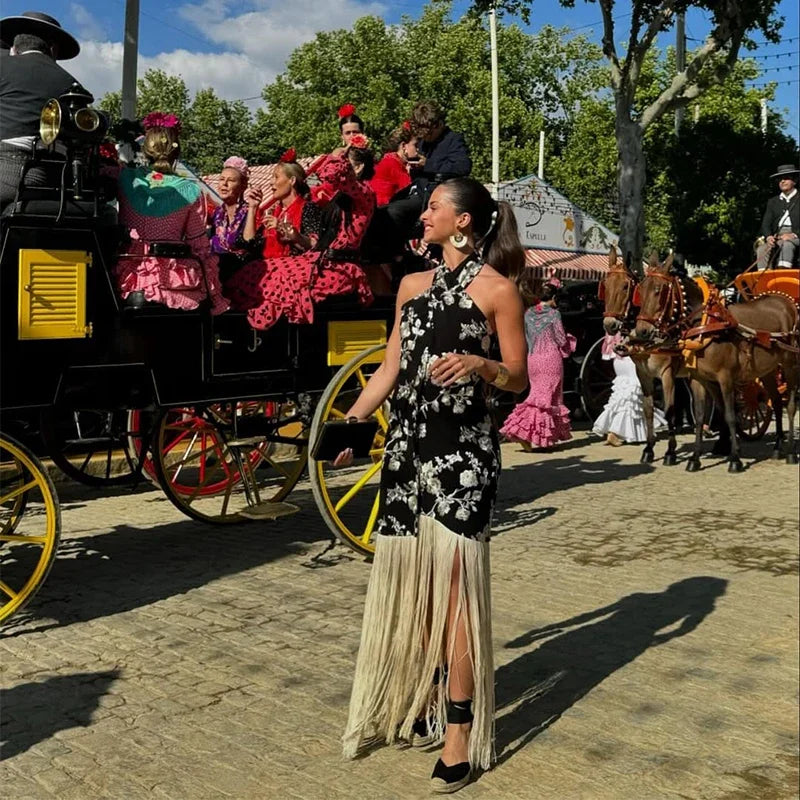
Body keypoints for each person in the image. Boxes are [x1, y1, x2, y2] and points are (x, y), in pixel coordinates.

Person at [339, 178, 527, 793]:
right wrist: (350, 421)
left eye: (436, 207)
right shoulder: (411, 286)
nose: (424, 216)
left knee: (453, 598)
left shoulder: (499, 291)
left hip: (462, 458)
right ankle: (421, 692)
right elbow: (391, 365)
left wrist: (481, 365)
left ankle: (460, 734)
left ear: (465, 221)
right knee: (413, 588)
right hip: (407, 452)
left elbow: (519, 380)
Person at [225, 139, 375, 330]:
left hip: (340, 267)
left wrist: (337, 155)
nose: (341, 164)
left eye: (346, 161)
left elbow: (331, 173)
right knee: (258, 269)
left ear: (359, 167)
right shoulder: (342, 195)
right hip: (322, 260)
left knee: (279, 278)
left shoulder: (365, 194)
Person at [114, 112, 229, 314]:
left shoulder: (125, 179)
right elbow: (199, 245)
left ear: (146, 149)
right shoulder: (190, 190)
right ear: (176, 152)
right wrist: (214, 292)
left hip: (131, 279)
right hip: (177, 282)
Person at [0, 11, 85, 207]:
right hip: (53, 183)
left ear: (13, 49)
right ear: (53, 49)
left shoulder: (3, 66)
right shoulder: (72, 83)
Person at [375, 100, 472, 260]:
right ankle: (393, 257)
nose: (425, 138)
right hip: (417, 191)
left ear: (438, 125)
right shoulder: (424, 142)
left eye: (427, 133)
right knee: (383, 212)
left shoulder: (453, 140)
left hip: (435, 196)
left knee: (394, 212)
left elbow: (463, 167)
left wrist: (428, 164)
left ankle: (394, 257)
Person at [500, 275, 575, 451]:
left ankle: (533, 435)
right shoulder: (554, 314)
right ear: (554, 298)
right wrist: (570, 341)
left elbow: (526, 337)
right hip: (550, 359)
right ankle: (527, 434)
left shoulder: (528, 313)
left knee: (537, 396)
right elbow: (560, 338)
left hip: (533, 359)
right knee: (548, 399)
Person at [592, 333, 666, 445]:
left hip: (619, 360)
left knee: (622, 394)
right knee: (632, 394)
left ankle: (618, 429)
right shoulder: (632, 323)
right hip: (631, 357)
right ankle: (615, 432)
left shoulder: (615, 324)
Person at [256, 150, 321, 260]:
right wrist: (253, 207)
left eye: (276, 177)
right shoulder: (274, 211)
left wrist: (286, 231)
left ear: (292, 180)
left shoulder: (308, 208)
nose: (271, 182)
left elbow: (315, 244)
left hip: (296, 266)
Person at [210, 156, 263, 281]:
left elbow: (249, 242)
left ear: (243, 185)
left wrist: (252, 208)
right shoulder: (217, 213)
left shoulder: (250, 210)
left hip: (240, 271)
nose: (224, 184)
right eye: (222, 179)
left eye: (231, 180)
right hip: (215, 270)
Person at [756, 163, 799, 269]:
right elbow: (766, 223)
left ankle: (783, 274)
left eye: (786, 178)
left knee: (787, 244)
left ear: (795, 180)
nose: (782, 181)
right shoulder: (772, 202)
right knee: (762, 249)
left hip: (796, 235)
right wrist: (768, 236)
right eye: (780, 179)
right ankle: (764, 280)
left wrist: (793, 235)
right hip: (778, 235)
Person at [369, 122, 418, 206]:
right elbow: (409, 188)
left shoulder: (392, 160)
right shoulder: (392, 163)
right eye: (415, 145)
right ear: (403, 146)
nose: (418, 149)